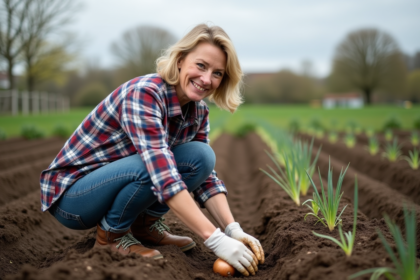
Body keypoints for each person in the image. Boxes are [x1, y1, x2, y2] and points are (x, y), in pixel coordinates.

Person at [40, 23, 264, 276]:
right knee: (151, 165)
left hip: (116, 180)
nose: (206, 79)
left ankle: (145, 226)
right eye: (201, 65)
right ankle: (111, 237)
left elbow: (205, 176)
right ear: (180, 60)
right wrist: (215, 240)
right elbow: (162, 173)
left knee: (201, 158)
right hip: (74, 198)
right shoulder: (144, 94)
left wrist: (232, 229)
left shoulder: (198, 110)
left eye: (217, 73)